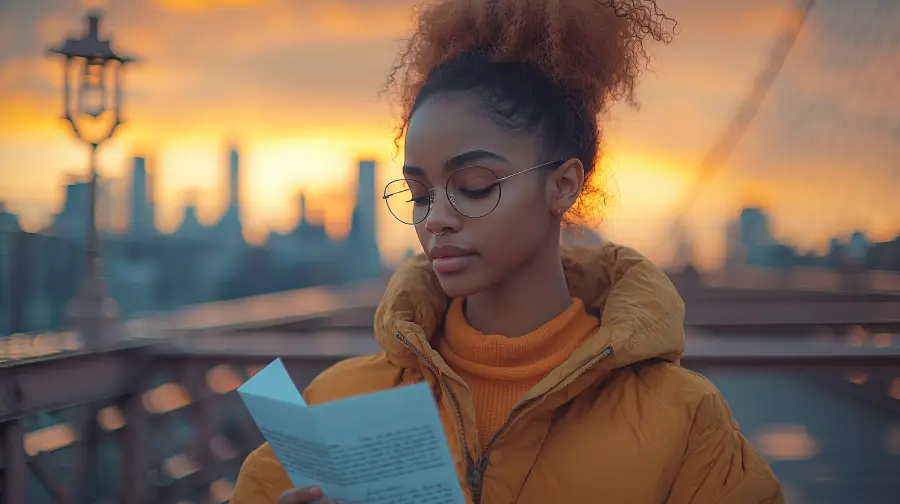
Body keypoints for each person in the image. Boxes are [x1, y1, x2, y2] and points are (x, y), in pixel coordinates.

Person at [231, 0, 784, 502]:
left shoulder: (682, 419)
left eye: (474, 186)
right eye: (420, 195)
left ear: (563, 185)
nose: (437, 220)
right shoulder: (335, 403)